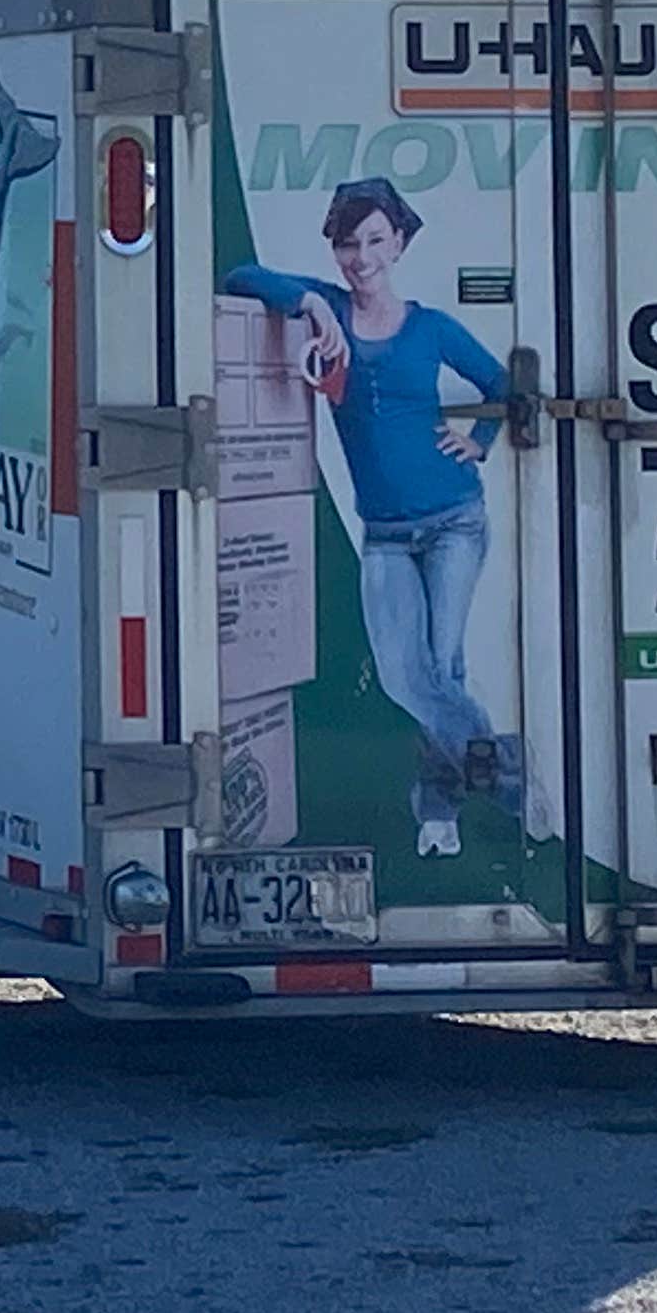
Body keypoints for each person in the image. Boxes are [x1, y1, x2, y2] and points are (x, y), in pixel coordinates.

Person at [225, 179, 522, 856]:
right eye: (347, 243)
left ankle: (438, 815)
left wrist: (479, 442)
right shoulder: (325, 307)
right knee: (403, 676)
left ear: (400, 244)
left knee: (440, 670)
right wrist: (305, 303)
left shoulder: (431, 327)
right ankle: (509, 773)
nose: (360, 257)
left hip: (454, 521)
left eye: (375, 241)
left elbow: (502, 386)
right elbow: (240, 276)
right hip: (385, 533)